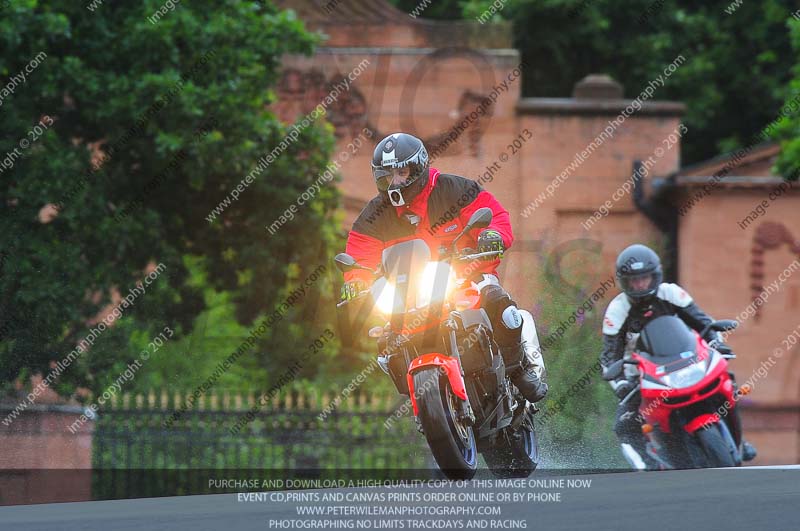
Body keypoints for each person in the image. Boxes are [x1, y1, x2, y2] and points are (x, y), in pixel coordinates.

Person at [340, 132, 547, 403]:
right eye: (387, 175)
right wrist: (355, 282)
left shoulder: (454, 190)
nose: (396, 182)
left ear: (419, 167)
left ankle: (521, 370)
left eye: (402, 172)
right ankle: (431, 404)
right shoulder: (373, 216)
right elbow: (359, 258)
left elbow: (495, 215)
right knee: (385, 343)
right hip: (409, 296)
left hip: (466, 277)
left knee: (502, 307)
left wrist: (493, 235)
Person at [600, 243, 757, 469]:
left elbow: (704, 323)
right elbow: (608, 358)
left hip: (687, 361)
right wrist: (621, 383)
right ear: (625, 283)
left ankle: (740, 442)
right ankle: (649, 468)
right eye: (634, 280)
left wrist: (715, 343)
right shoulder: (617, 311)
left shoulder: (671, 292)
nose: (640, 284)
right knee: (624, 425)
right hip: (643, 377)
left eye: (644, 278)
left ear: (655, 275)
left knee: (727, 380)